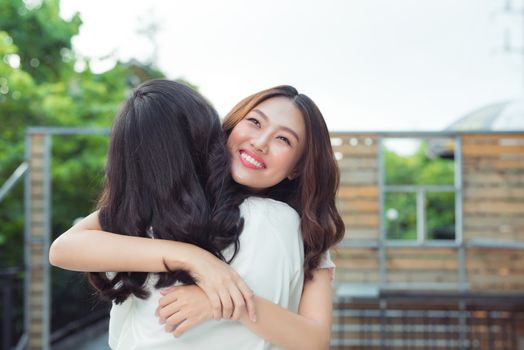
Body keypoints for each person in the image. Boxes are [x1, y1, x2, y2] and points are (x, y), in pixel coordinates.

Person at [49, 82, 344, 349]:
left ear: (296, 168)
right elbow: (64, 249)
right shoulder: (176, 193)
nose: (260, 142)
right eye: (254, 122)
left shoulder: (303, 229)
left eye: (284, 140)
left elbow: (315, 341)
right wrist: (194, 258)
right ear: (231, 126)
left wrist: (225, 300)